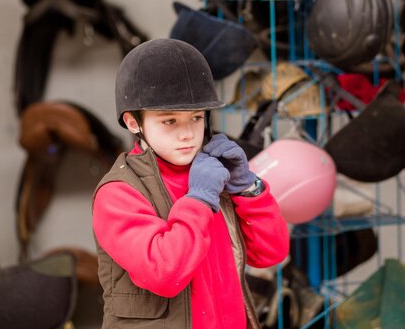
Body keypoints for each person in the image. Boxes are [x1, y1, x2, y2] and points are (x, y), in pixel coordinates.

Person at [92, 38, 289, 329]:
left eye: (196, 117)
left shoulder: (212, 174)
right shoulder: (118, 193)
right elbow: (165, 273)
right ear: (133, 122)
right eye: (169, 121)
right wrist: (198, 200)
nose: (187, 134)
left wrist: (247, 188)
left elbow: (270, 252)